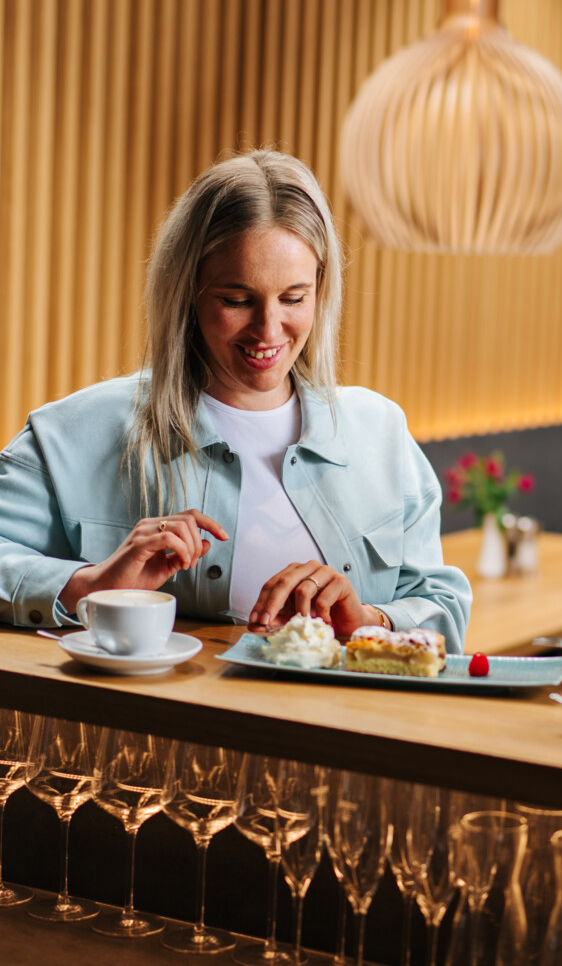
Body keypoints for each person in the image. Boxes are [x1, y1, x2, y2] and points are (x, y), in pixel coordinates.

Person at [0, 150, 471, 651]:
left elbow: (442, 608)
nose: (268, 330)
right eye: (237, 300)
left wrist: (371, 621)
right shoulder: (70, 434)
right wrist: (89, 586)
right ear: (188, 291)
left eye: (293, 298)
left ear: (321, 289)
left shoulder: (382, 433)